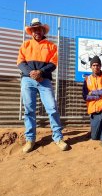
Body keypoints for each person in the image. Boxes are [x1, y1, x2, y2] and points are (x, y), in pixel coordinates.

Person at [17, 18, 68, 153]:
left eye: (39, 29)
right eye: (34, 30)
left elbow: (53, 63)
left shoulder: (51, 46)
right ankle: (30, 139)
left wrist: (40, 72)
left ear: (42, 31)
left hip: (44, 80)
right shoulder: (25, 45)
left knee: (52, 108)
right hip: (27, 80)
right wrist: (31, 73)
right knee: (29, 110)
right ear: (31, 32)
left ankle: (58, 138)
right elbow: (20, 63)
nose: (36, 32)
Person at [82, 56, 102, 149]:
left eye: (97, 65)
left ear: (100, 66)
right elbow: (85, 96)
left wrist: (93, 92)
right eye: (93, 65)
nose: (95, 67)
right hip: (94, 109)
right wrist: (98, 95)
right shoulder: (87, 79)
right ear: (91, 67)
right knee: (94, 137)